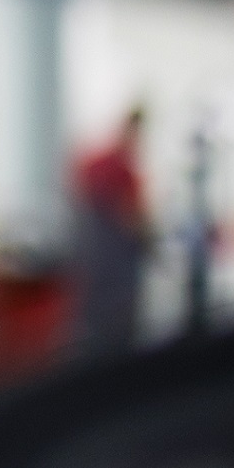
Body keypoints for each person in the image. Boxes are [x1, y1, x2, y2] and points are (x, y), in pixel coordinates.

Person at [68, 107, 150, 358]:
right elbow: (129, 216)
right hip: (111, 263)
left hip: (105, 261)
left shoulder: (109, 164)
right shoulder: (113, 166)